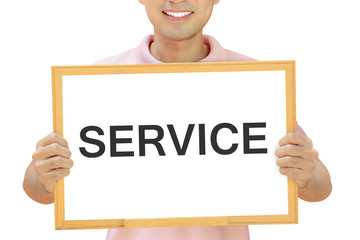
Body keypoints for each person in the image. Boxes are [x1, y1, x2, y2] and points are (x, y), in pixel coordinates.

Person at [23, 0, 332, 239]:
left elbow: (319, 186)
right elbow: (37, 188)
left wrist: (305, 171)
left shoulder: (255, 79)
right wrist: (45, 173)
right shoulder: (100, 81)